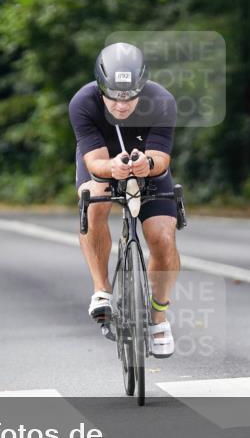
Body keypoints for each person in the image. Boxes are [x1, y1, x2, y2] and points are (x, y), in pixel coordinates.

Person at [68, 42, 180, 358]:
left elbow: (160, 157)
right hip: (102, 159)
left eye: (129, 95)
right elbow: (94, 163)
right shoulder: (83, 102)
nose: (120, 105)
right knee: (95, 198)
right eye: (113, 95)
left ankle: (159, 317)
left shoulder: (162, 101)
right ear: (100, 87)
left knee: (162, 237)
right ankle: (102, 289)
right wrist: (112, 169)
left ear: (141, 87)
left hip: (147, 161)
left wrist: (148, 165)